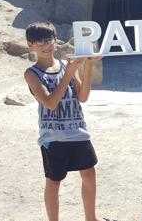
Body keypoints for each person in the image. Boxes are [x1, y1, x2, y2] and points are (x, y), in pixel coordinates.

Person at [24, 22, 102, 221]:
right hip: (53, 137)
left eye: (49, 39)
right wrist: (67, 74)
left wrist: (88, 66)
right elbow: (50, 103)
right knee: (54, 182)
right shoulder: (32, 74)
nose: (46, 44)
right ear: (30, 45)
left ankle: (90, 218)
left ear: (56, 40)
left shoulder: (65, 65)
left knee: (90, 174)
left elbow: (82, 97)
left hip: (78, 131)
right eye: (39, 41)